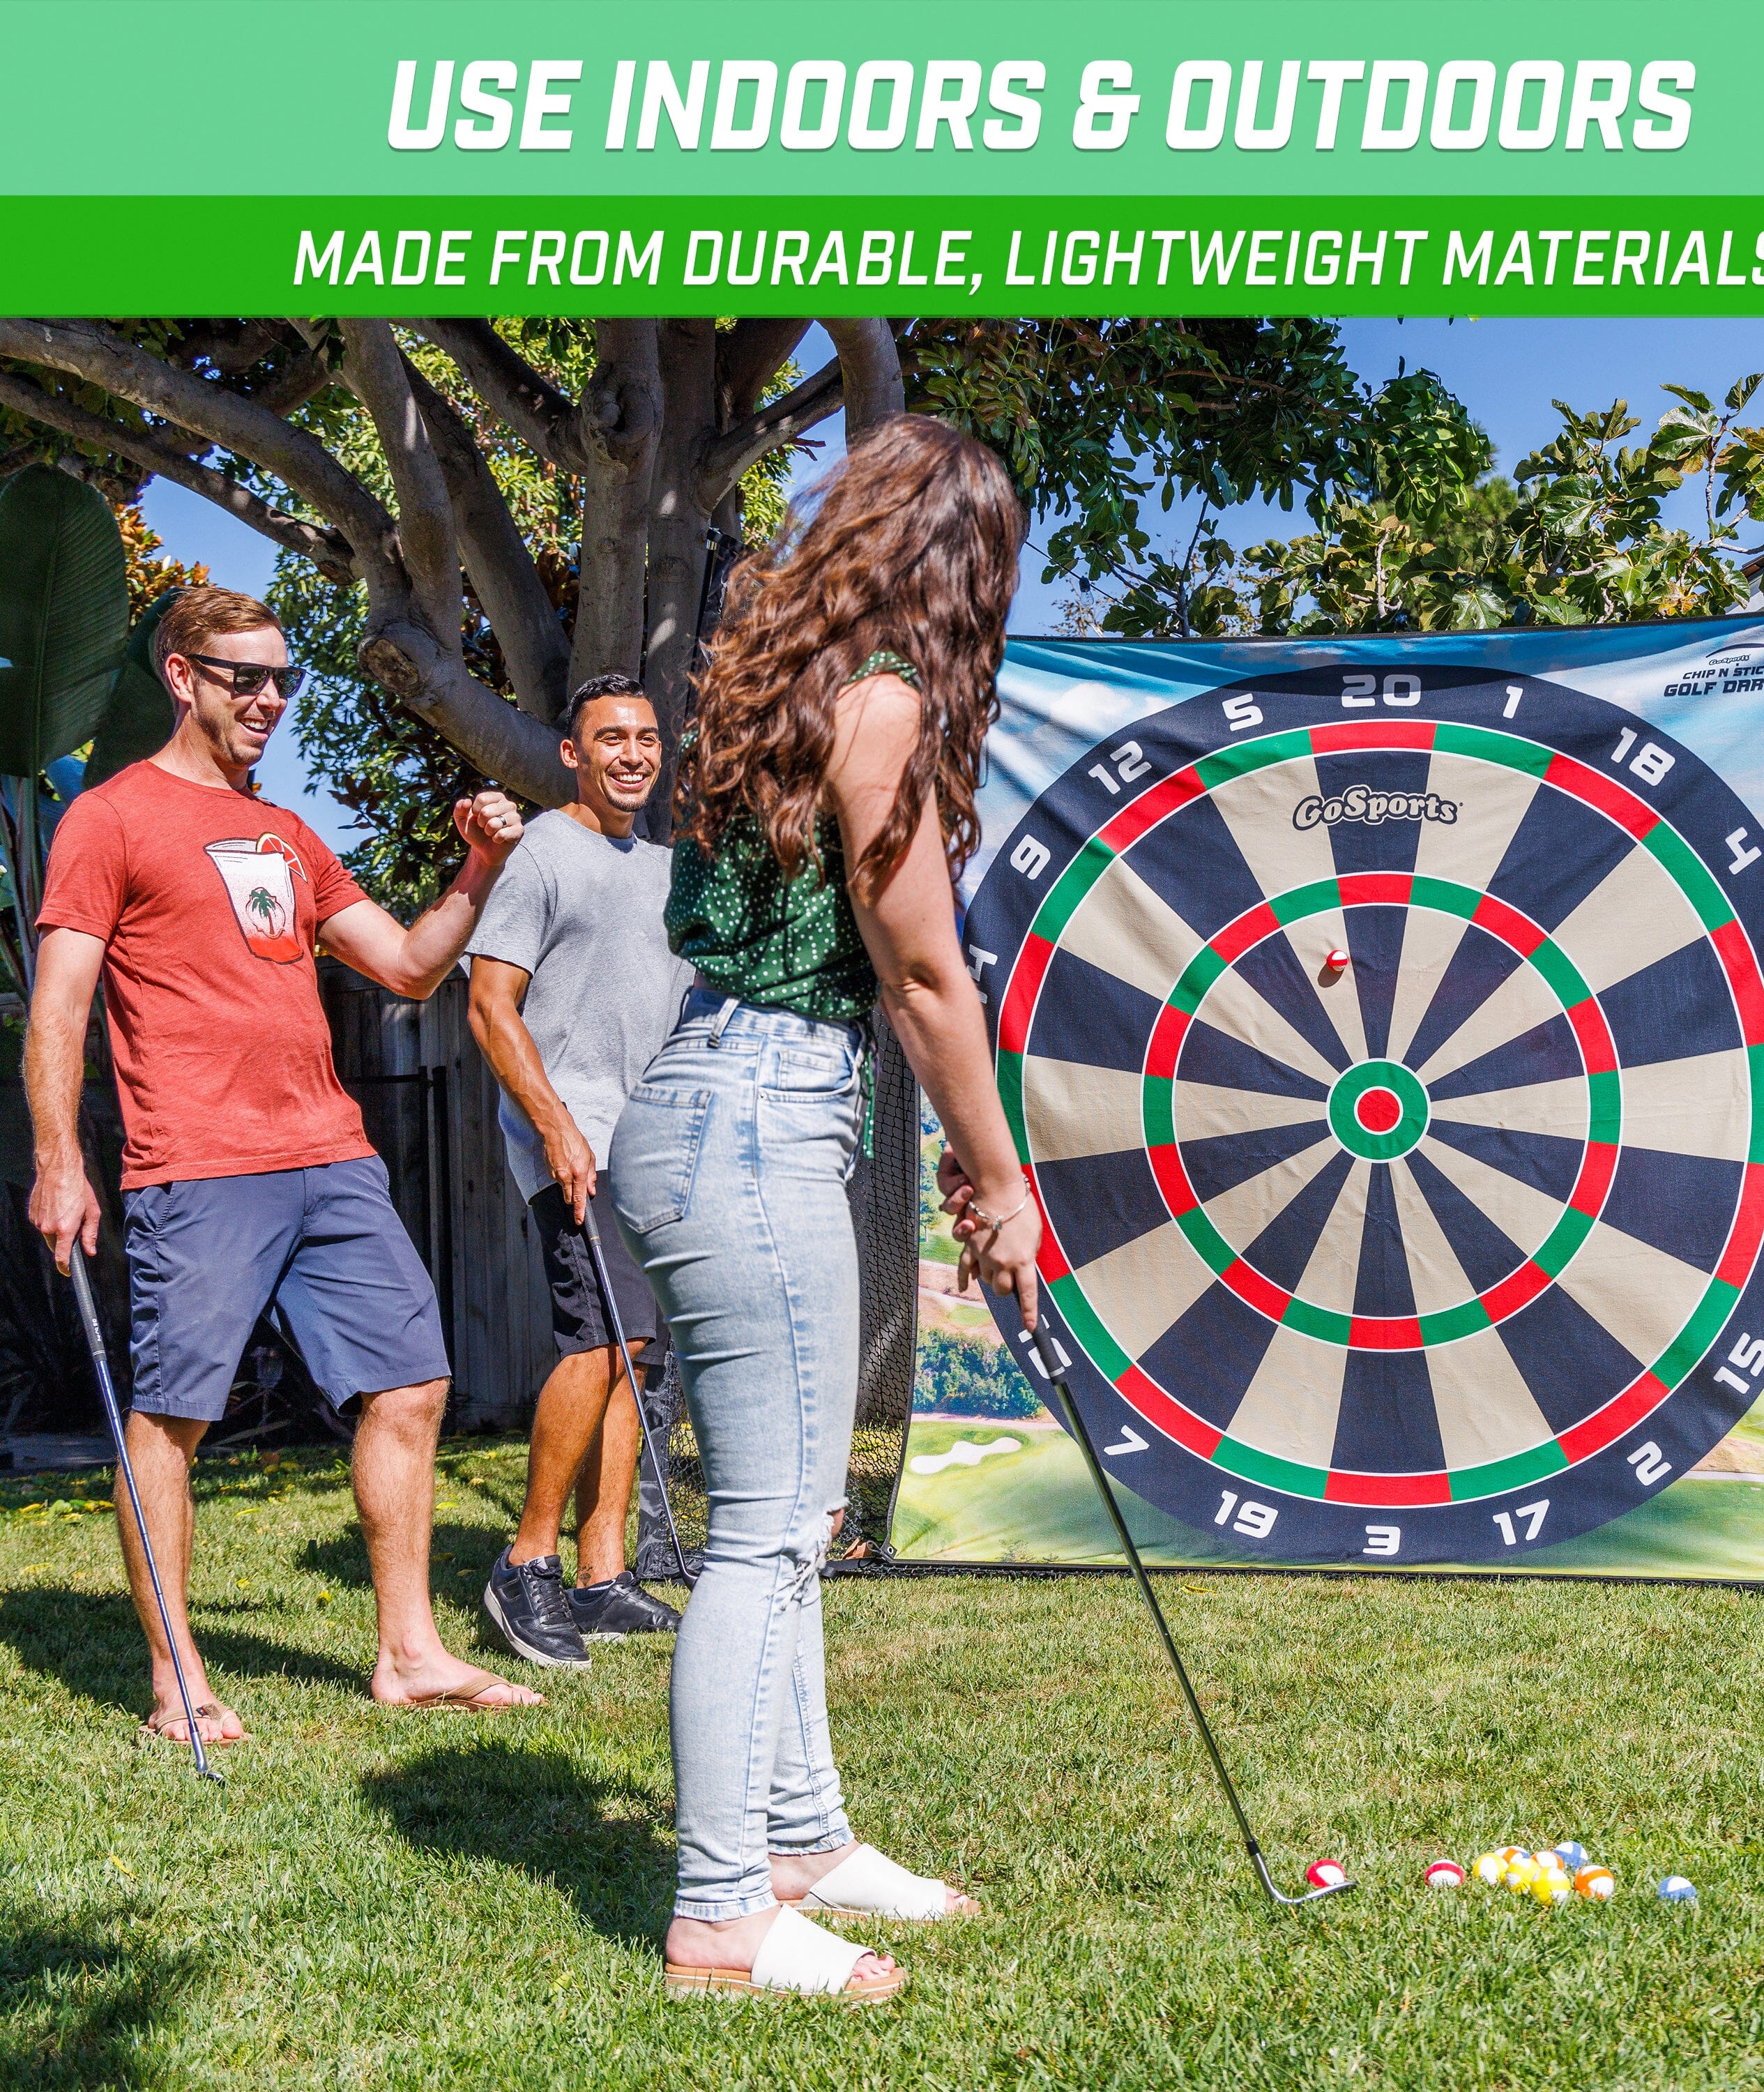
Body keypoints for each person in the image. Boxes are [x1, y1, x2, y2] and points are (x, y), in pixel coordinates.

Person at [607, 414, 1042, 2005]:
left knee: (783, 1522)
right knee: (770, 1536)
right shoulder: (884, 706)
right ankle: (722, 1916)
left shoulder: (769, 684)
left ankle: (804, 1838)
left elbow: (871, 967)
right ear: (960, 563)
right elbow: (924, 968)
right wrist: (999, 1180)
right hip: (751, 1121)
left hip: (721, 1097)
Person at [26, 584, 543, 1743]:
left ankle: (409, 1653)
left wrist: (474, 872)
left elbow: (409, 968)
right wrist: (59, 1158)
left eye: (283, 680)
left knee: (411, 1383)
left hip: (330, 1153)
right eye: (244, 678)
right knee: (171, 1420)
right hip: (196, 1165)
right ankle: (177, 1682)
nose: (269, 699)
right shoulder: (109, 818)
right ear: (181, 676)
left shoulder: (286, 833)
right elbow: (58, 1003)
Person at [466, 672, 690, 1667]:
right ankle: (528, 1563)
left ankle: (602, 1572)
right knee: (598, 1340)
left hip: (648, 1143)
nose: (633, 754)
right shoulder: (543, 854)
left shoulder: (665, 867)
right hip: (575, 1137)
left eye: (645, 737)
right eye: (611, 738)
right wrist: (554, 1123)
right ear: (573, 753)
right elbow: (488, 1003)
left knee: (638, 1353)